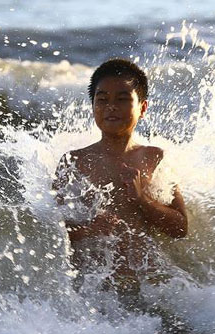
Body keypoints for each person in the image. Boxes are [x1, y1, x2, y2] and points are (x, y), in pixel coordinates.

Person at [52, 59, 188, 292]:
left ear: (142, 108)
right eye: (102, 100)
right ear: (93, 106)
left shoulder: (154, 158)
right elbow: (52, 232)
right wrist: (90, 229)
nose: (111, 106)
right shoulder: (73, 162)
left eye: (122, 99)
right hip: (96, 291)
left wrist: (143, 200)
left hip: (149, 286)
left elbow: (181, 228)